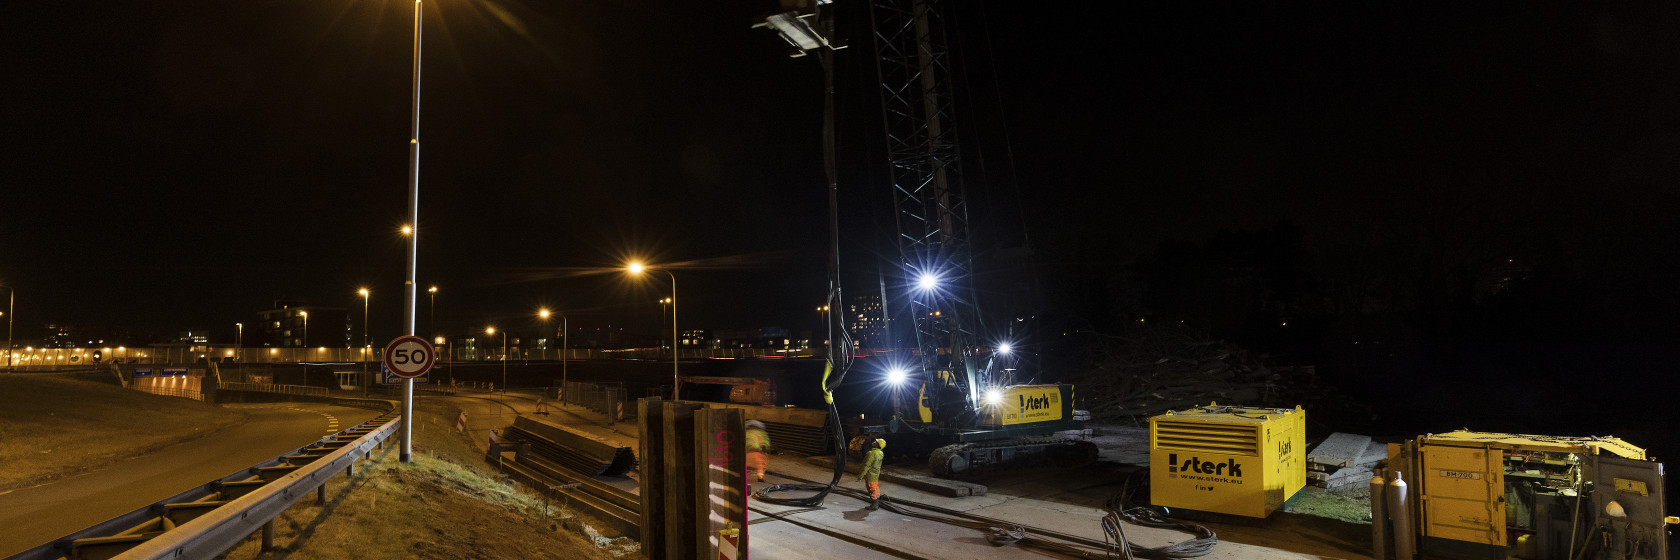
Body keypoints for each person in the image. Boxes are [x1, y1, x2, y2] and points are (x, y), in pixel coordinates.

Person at [859, 438, 885, 510]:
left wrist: (860, 476)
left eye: (875, 442)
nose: (873, 442)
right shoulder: (880, 453)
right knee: (875, 487)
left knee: (871, 488)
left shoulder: (871, 453)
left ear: (878, 445)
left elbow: (866, 466)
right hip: (875, 474)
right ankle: (876, 502)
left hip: (870, 474)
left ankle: (874, 505)